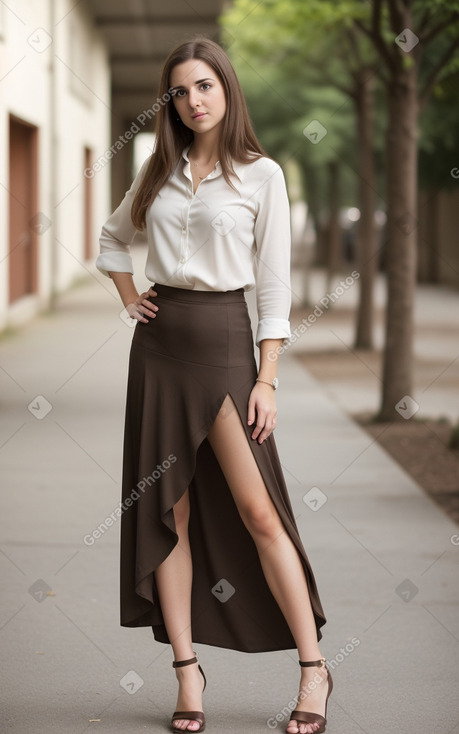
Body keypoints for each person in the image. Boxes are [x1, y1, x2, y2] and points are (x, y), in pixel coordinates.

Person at [96, 34, 332, 734]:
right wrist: (127, 293)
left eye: (204, 86)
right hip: (160, 349)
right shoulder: (157, 172)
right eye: (179, 91)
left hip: (229, 346)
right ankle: (186, 672)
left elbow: (273, 285)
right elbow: (111, 239)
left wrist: (268, 377)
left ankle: (314, 668)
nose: (193, 101)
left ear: (226, 90)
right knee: (168, 512)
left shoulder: (262, 175)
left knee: (260, 512)